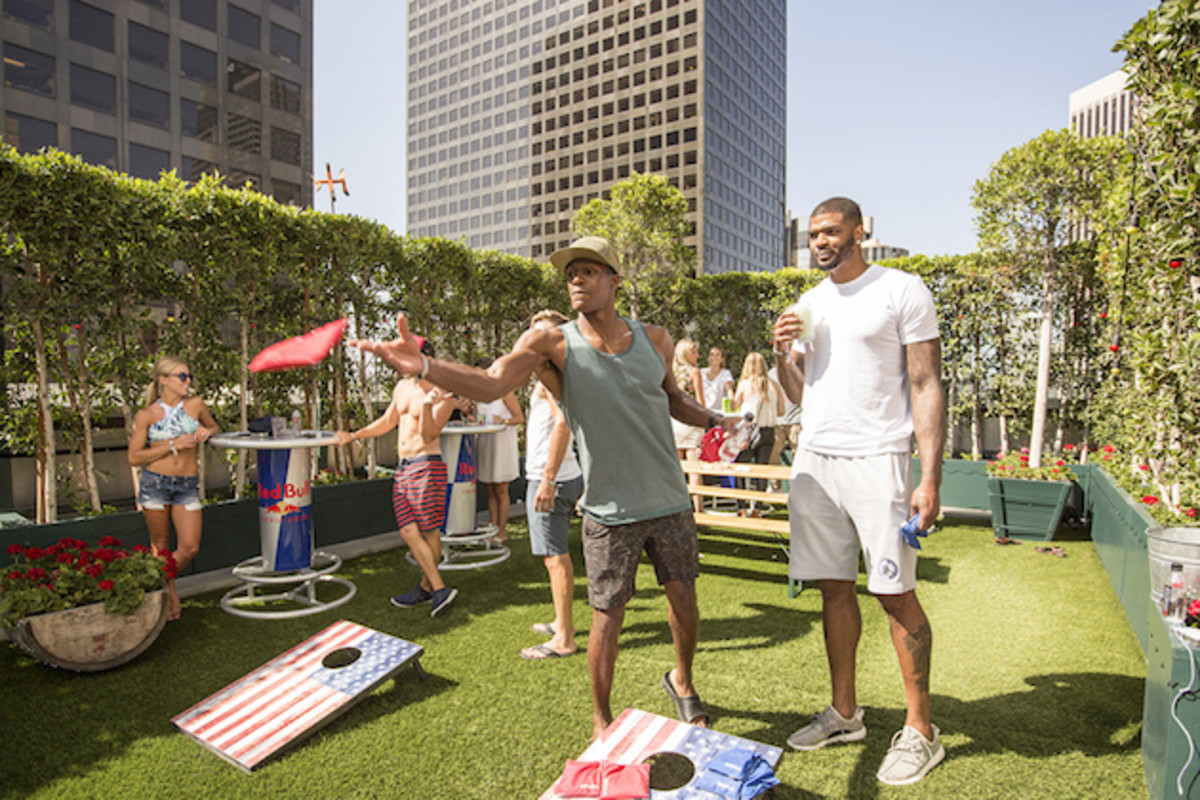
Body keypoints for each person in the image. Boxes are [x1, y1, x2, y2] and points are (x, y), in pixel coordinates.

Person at [348, 236, 736, 740]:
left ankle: (682, 681)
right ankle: (602, 723)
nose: (576, 278)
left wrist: (716, 419)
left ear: (615, 281)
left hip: (668, 500)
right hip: (608, 509)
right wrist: (425, 365)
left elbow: (673, 398)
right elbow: (490, 381)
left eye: (589, 271)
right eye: (571, 272)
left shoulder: (655, 339)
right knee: (606, 620)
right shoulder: (552, 342)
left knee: (684, 601)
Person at [773, 197, 946, 786]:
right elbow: (802, 388)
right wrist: (779, 355)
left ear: (859, 230)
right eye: (813, 235)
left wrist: (930, 475)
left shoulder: (902, 289)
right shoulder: (810, 303)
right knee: (832, 589)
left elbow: (925, 382)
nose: (820, 242)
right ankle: (845, 713)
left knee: (894, 593)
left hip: (881, 459)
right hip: (816, 460)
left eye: (830, 232)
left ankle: (921, 730)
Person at [335, 339, 460, 617]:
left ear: (424, 357)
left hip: (427, 465)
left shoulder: (443, 393)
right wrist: (354, 435)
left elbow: (429, 435)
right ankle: (435, 589)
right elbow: (389, 421)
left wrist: (427, 406)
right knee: (407, 530)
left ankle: (432, 588)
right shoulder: (402, 387)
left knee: (429, 532)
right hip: (403, 468)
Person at [128, 356, 220, 621]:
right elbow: (134, 457)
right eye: (182, 376)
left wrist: (206, 432)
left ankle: (156, 583)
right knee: (160, 544)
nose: (187, 381)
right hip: (155, 484)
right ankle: (169, 590)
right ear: (163, 380)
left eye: (188, 376)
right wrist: (173, 445)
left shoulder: (195, 405)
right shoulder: (147, 415)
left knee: (190, 547)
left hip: (187, 485)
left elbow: (213, 426)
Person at [520, 309, 585, 660]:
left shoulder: (552, 378)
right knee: (555, 557)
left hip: (553, 479)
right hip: (562, 475)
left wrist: (547, 479)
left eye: (545, 334)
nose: (537, 341)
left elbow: (564, 425)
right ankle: (562, 621)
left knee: (554, 559)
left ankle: (564, 637)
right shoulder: (552, 374)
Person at [473, 358, 524, 545]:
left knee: (502, 490)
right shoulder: (479, 394)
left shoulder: (505, 391)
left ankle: (502, 531)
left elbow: (519, 418)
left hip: (502, 444)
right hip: (486, 443)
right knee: (490, 489)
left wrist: (504, 421)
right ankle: (493, 528)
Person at [731, 351, 785, 512]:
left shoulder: (745, 384)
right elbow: (781, 411)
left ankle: (741, 506)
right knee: (762, 469)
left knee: (740, 467)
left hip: (749, 432)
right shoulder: (774, 385)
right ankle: (758, 507)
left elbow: (734, 406)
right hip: (768, 431)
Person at [670, 338, 706, 513]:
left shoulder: (671, 371)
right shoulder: (694, 372)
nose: (697, 356)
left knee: (676, 468)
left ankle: (676, 508)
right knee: (694, 468)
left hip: (674, 421)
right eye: (694, 352)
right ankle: (698, 509)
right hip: (691, 421)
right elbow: (700, 401)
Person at [701, 346, 734, 412]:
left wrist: (733, 405)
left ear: (722, 359)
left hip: (718, 412)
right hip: (702, 410)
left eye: (717, 355)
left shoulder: (725, 373)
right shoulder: (701, 372)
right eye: (712, 354)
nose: (714, 357)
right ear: (708, 358)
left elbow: (729, 391)